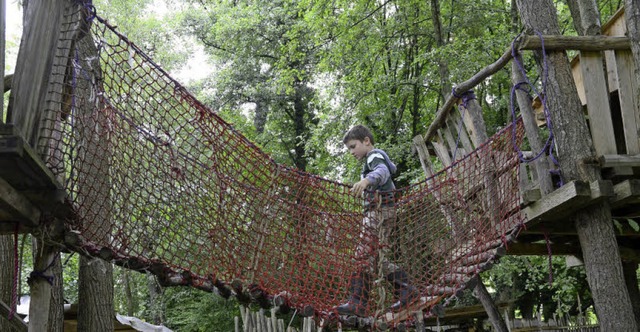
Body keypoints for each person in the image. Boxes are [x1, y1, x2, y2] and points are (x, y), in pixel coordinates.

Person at [336, 125, 417, 317]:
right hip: (383, 211)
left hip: (379, 212)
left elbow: (382, 172)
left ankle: (358, 302)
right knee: (378, 260)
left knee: (362, 255)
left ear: (366, 141)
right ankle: (407, 290)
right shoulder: (370, 160)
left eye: (353, 146)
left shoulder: (374, 156)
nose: (352, 152)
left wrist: (366, 181)